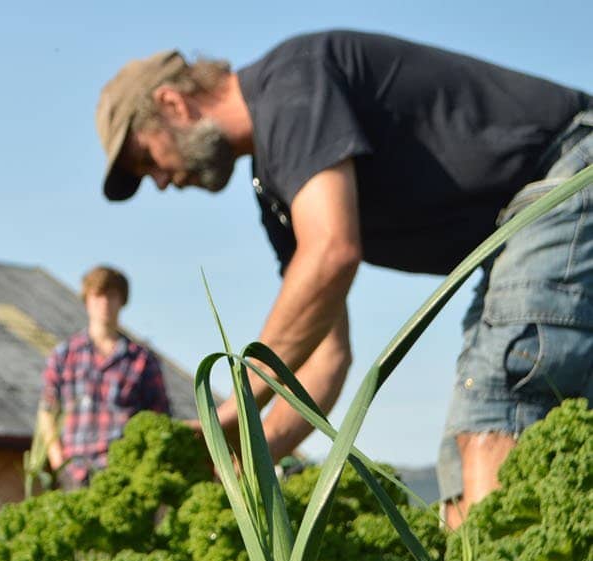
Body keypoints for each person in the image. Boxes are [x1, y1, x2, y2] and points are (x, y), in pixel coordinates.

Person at [96, 31, 593, 527]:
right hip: (520, 230)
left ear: (173, 104)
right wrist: (250, 457)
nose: (161, 181)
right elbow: (325, 359)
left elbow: (332, 253)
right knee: (462, 467)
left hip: (567, 172)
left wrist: (233, 407)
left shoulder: (291, 83)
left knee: (496, 410)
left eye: (147, 160)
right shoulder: (277, 194)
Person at [38, 265, 170, 489]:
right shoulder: (64, 355)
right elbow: (48, 410)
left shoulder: (141, 360)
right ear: (87, 300)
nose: (104, 303)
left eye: (112, 296)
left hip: (124, 472)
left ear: (122, 302)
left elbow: (160, 418)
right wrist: (57, 458)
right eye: (98, 295)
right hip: (74, 470)